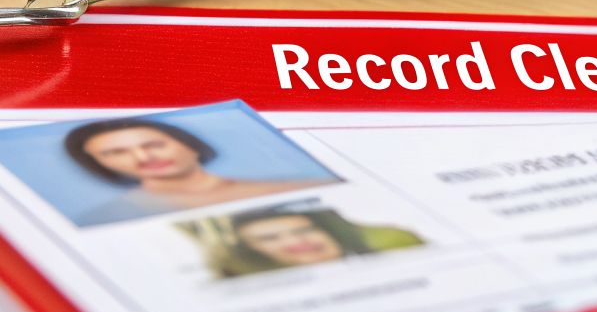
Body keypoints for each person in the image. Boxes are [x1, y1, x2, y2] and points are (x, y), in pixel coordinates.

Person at [64, 117, 335, 222]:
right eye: (116, 152)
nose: (143, 156)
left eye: (155, 144)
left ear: (190, 145)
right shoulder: (106, 218)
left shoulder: (305, 185)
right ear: (99, 163)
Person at [184, 207, 427, 278]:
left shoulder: (403, 252)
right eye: (269, 238)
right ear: (253, 251)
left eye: (305, 230)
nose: (296, 241)